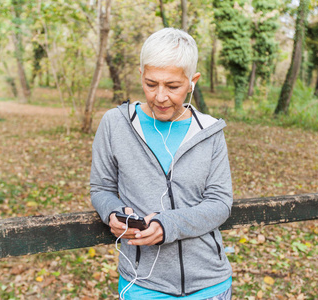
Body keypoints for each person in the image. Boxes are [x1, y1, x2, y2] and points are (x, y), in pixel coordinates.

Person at [90, 28, 233, 300]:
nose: (160, 96)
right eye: (151, 83)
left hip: (209, 285)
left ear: (193, 81)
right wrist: (114, 213)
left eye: (173, 86)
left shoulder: (210, 131)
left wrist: (168, 224)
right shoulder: (114, 123)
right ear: (141, 74)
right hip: (142, 285)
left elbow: (220, 202)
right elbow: (101, 188)